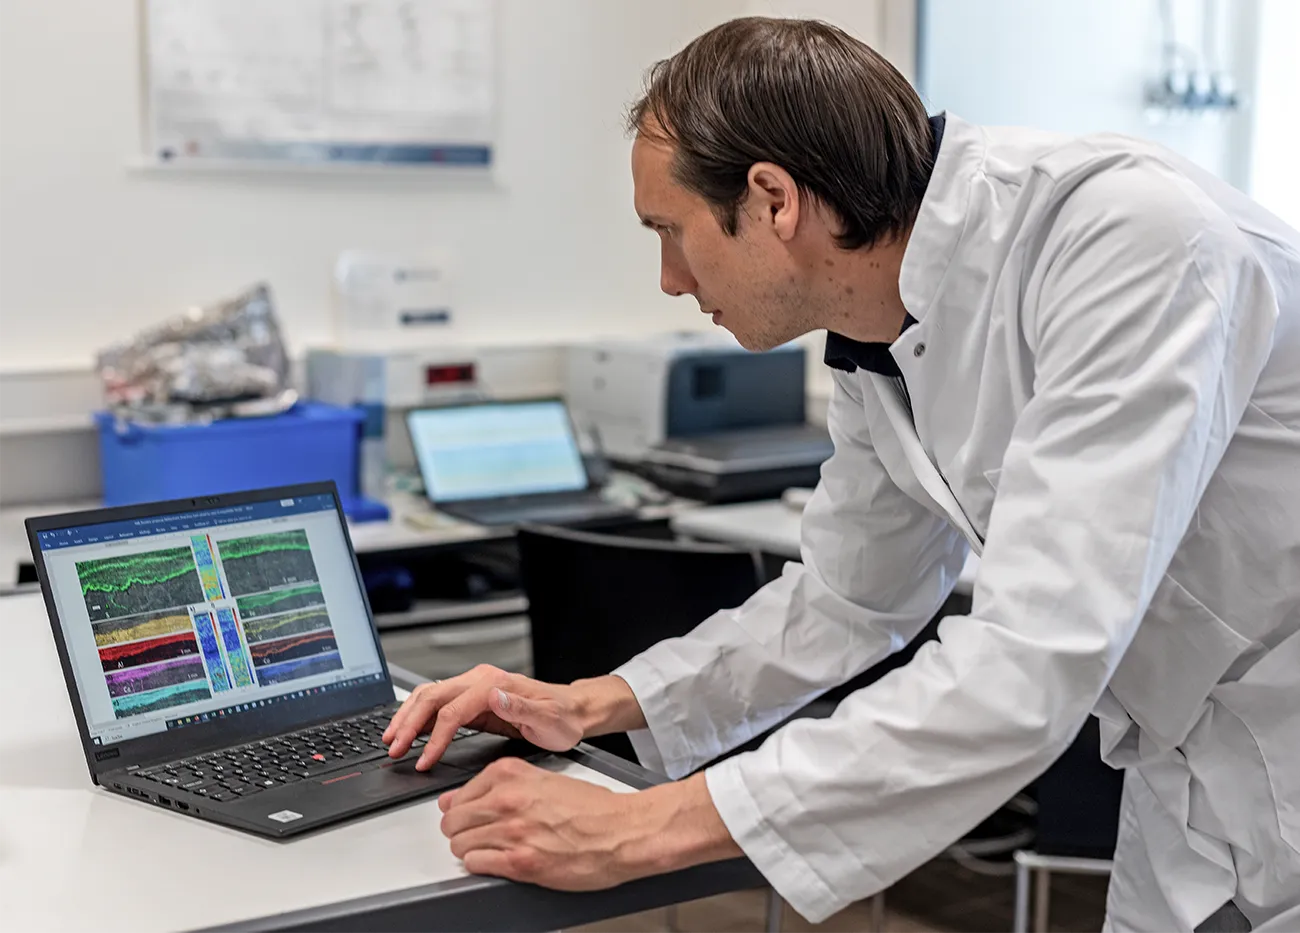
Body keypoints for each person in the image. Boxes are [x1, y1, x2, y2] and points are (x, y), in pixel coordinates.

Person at [383, 17, 1300, 933]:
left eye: (671, 231)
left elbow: (1031, 658)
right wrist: (590, 702)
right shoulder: (878, 332)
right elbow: (849, 599)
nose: (668, 278)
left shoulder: (1133, 243)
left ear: (773, 198)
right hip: (1205, 774)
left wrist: (643, 825)